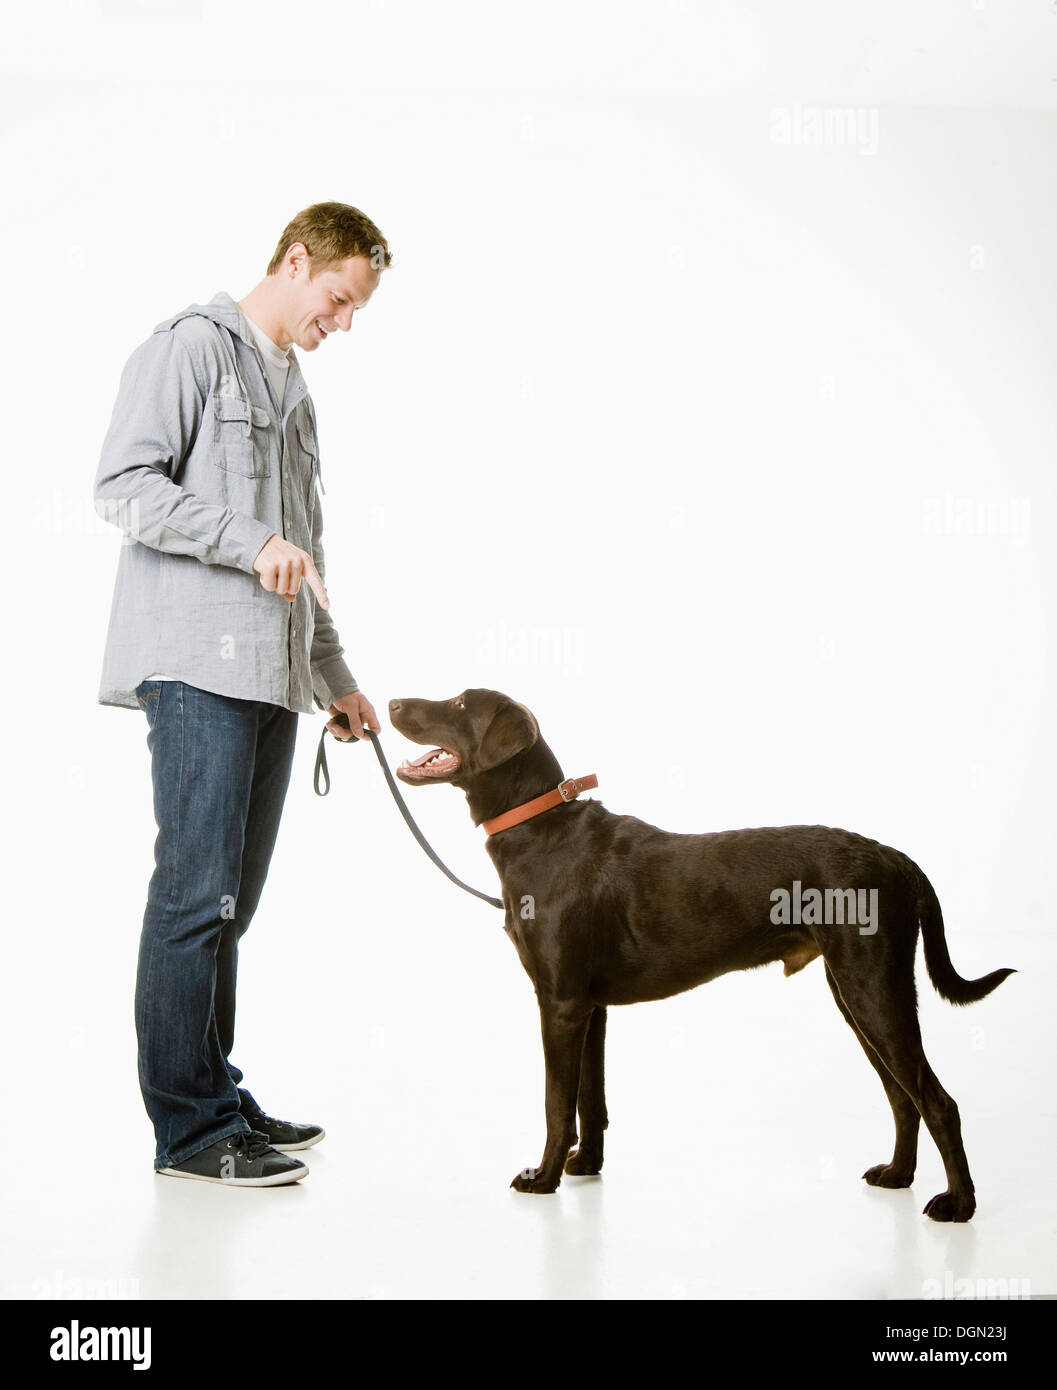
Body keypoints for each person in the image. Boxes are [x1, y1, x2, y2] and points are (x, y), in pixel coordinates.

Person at [94, 202, 388, 1186]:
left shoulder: (296, 392)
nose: (341, 323)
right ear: (296, 260)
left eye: (355, 311)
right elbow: (124, 485)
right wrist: (244, 541)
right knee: (191, 895)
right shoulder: (190, 348)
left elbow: (304, 555)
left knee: (228, 904)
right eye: (338, 299)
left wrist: (336, 677)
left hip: (271, 678)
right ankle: (189, 1131)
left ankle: (214, 1087)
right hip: (193, 669)